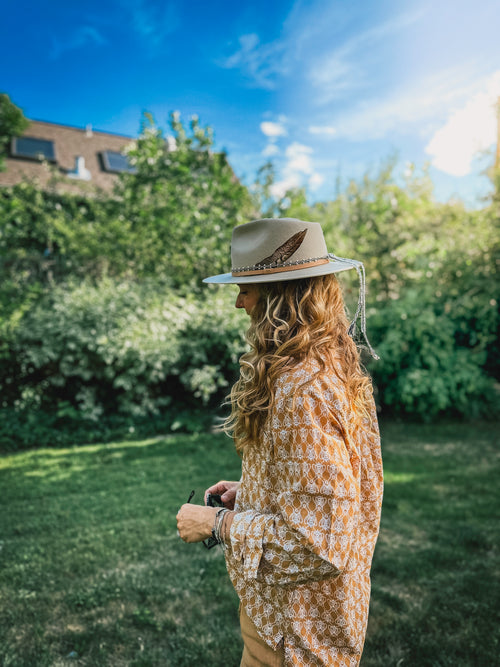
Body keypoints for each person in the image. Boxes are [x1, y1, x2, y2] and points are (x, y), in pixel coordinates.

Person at [176, 218, 383, 666]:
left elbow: (320, 542)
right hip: (299, 622)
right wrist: (253, 492)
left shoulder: (300, 389)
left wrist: (215, 525)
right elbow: (324, 493)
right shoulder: (327, 362)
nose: (238, 302)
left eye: (246, 289)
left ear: (279, 297)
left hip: (294, 634)